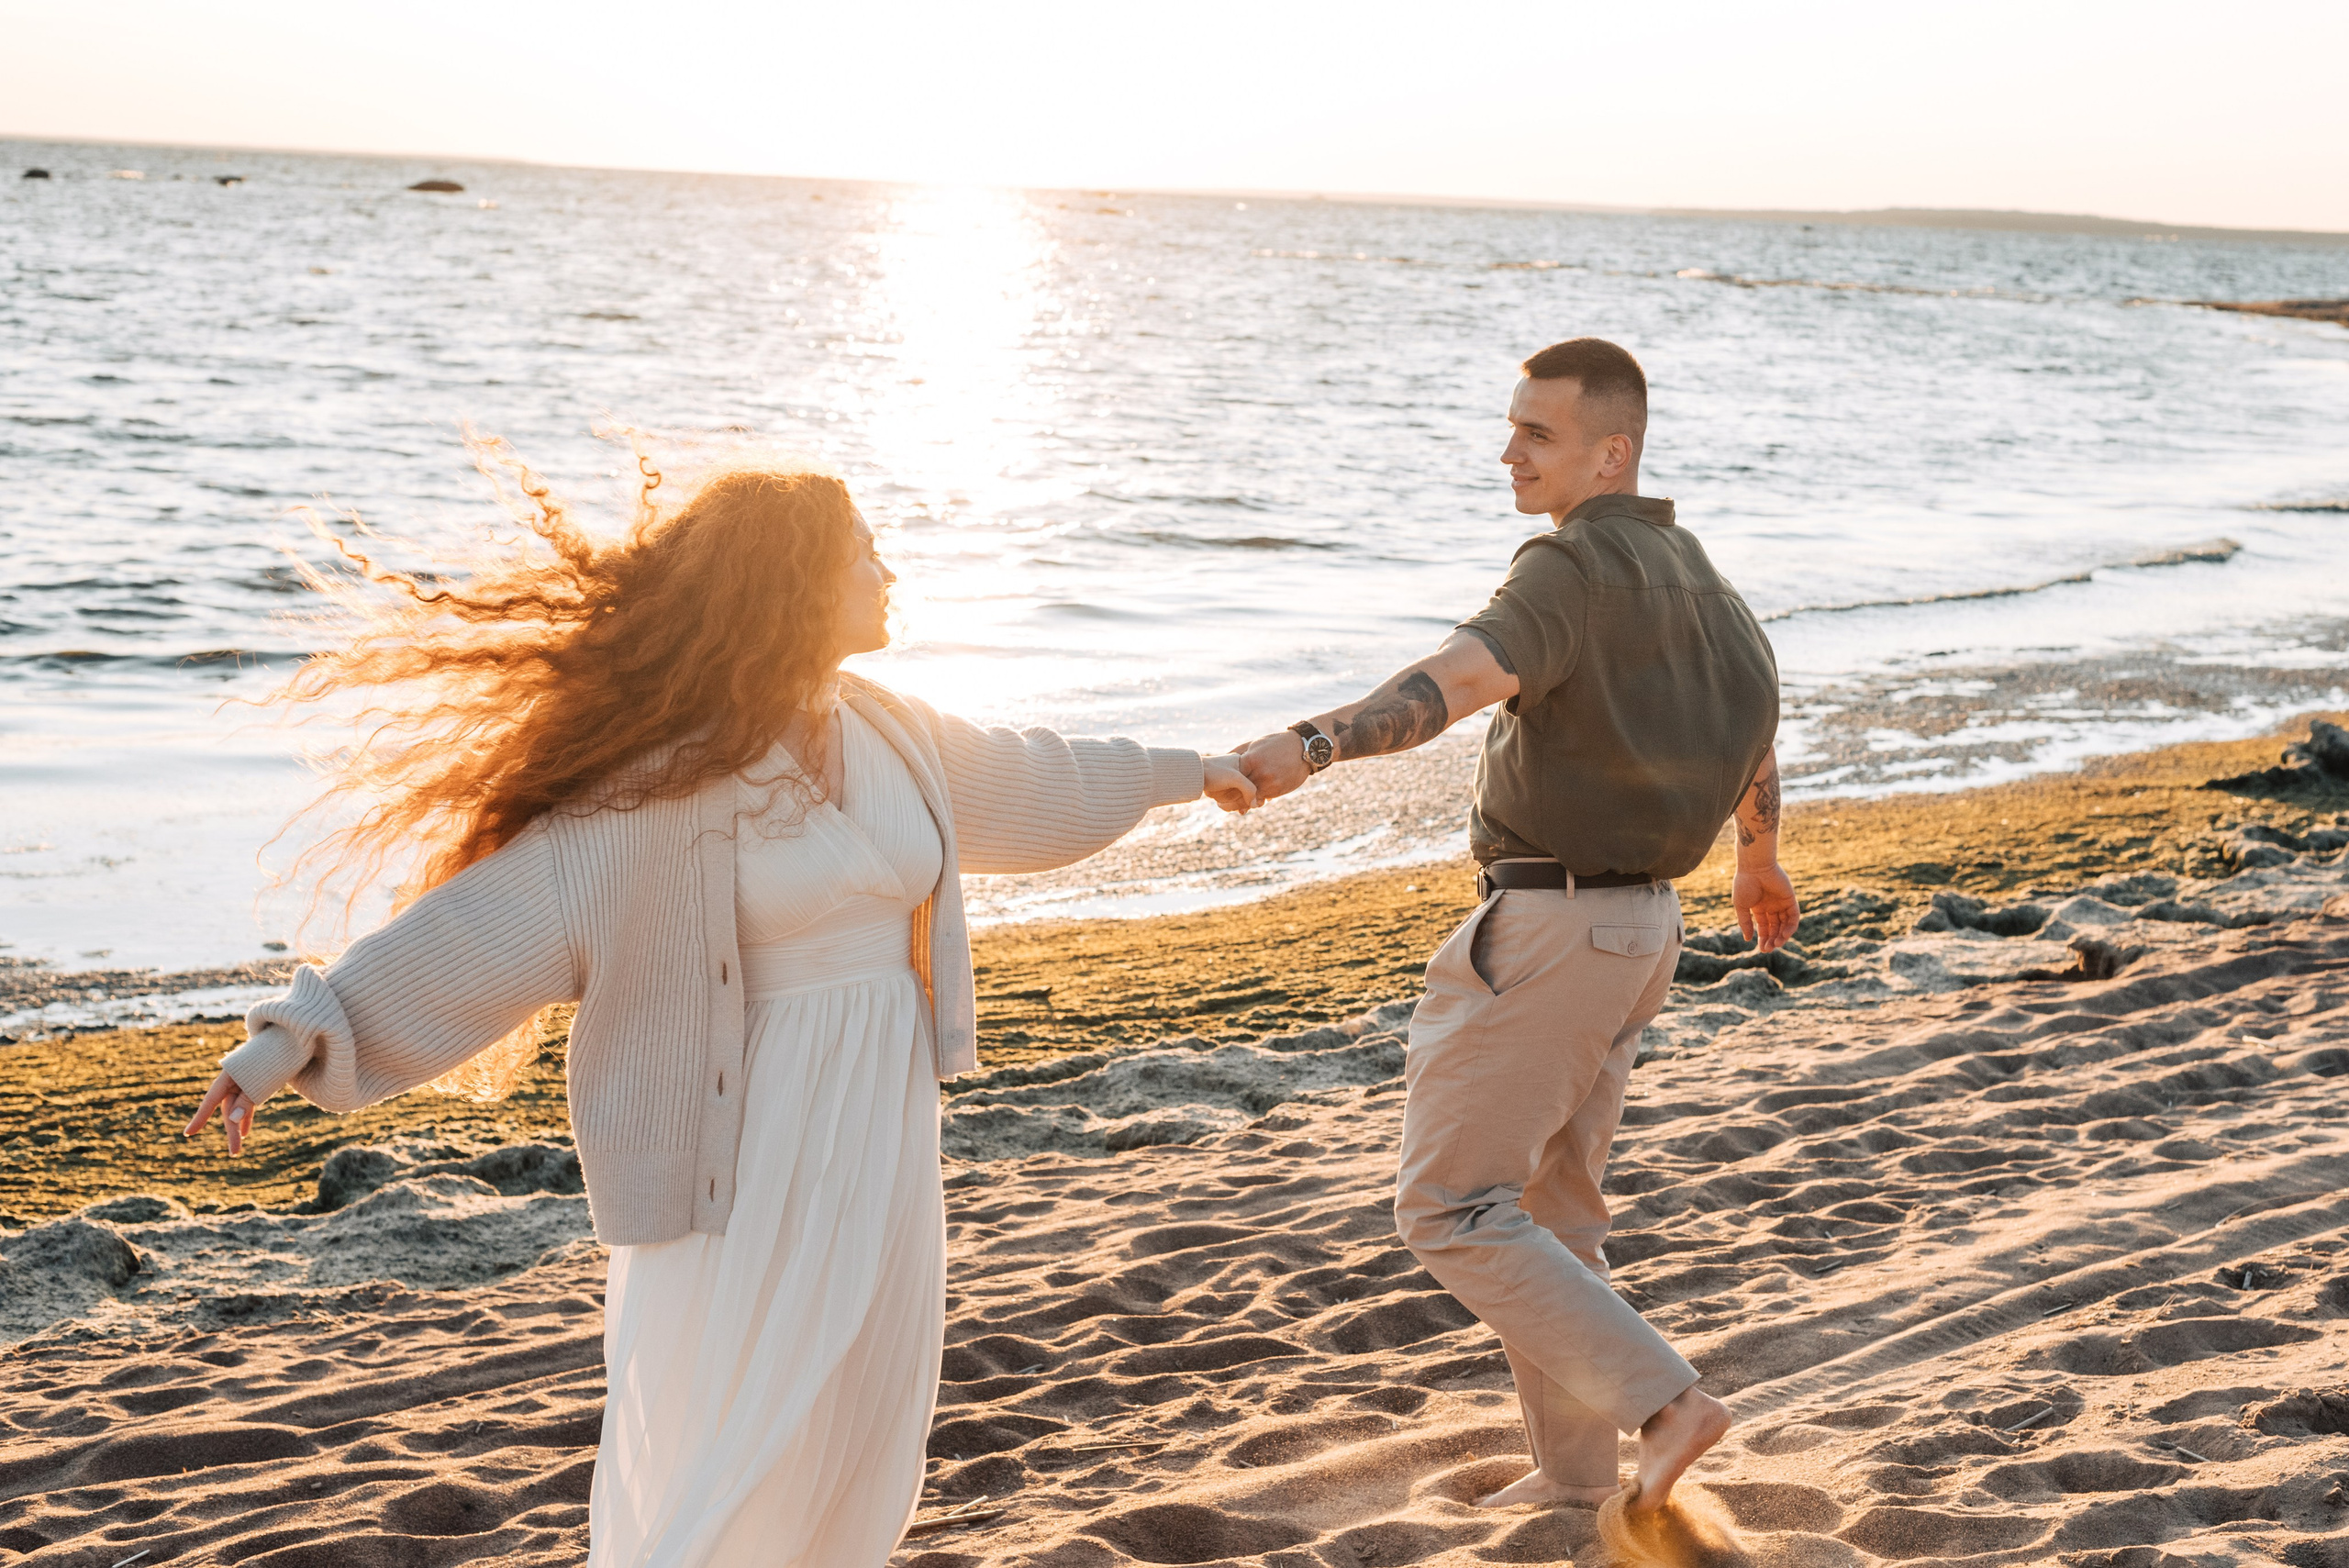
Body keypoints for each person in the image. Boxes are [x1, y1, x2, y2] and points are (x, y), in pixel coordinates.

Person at [183, 450, 1257, 1567]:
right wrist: (295, 1034)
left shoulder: (893, 733)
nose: (887, 570)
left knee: (859, 1386)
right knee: (740, 1408)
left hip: (880, 1117)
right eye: (863, 553)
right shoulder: (655, 791)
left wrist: (1195, 769)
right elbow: (482, 922)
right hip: (741, 1138)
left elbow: (1040, 777)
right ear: (797, 585)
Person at [1233, 338, 1798, 1516]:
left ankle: (1664, 1403)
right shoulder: (1709, 585)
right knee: (1552, 1214)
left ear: (1611, 452)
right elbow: (1753, 731)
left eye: (1536, 434)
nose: (1509, 453)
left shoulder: (1567, 568)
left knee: (1447, 1203)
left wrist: (1312, 744)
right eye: (1511, 428)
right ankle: (1575, 1475)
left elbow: (1459, 679)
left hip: (1555, 929)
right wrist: (1759, 855)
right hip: (1644, 931)